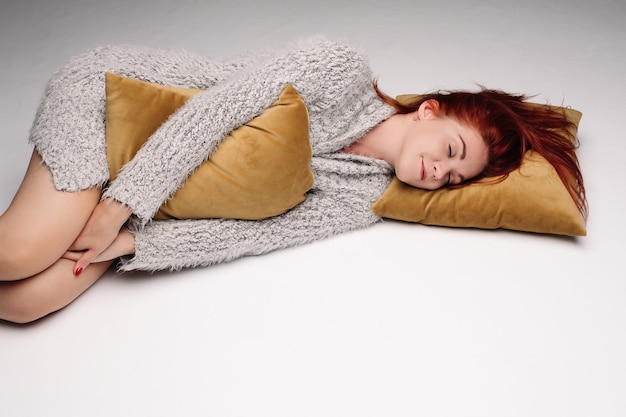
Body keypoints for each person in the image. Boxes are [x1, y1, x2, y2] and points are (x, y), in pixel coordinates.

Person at [0, 36, 586, 324]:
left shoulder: (365, 196)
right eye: (451, 149)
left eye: (456, 177)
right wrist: (114, 209)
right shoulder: (339, 67)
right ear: (428, 109)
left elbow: (261, 231)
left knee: (27, 303)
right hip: (113, 100)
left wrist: (133, 240)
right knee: (18, 254)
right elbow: (216, 111)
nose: (441, 171)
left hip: (148, 191)